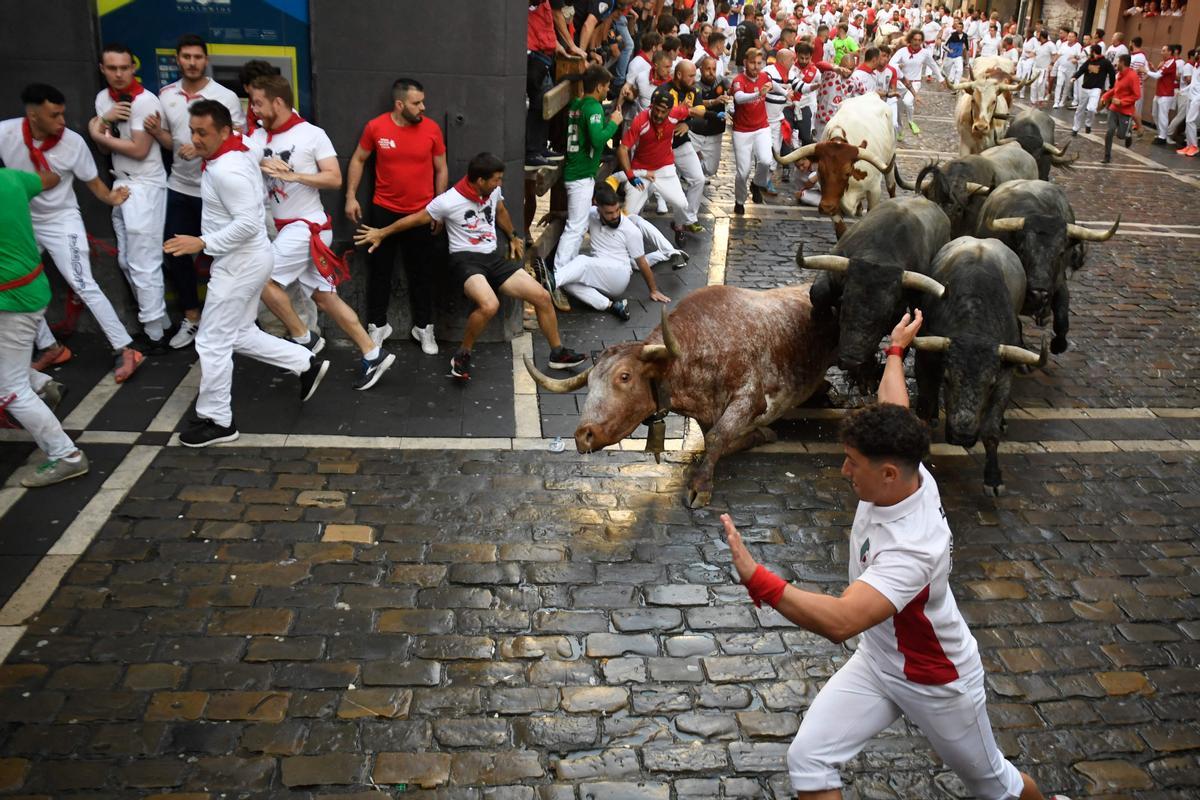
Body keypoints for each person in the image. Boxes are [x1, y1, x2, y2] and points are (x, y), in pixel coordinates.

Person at [721, 310, 1072, 800]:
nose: (845, 471)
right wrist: (894, 352)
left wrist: (758, 579)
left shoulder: (913, 548)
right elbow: (897, 408)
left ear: (888, 474)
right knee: (809, 760)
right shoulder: (909, 472)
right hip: (880, 662)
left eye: (853, 463)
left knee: (994, 785)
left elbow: (842, 620)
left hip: (937, 681)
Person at [163, 100, 330, 447]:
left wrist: (201, 242)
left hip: (239, 262)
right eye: (192, 131)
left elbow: (249, 225)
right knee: (236, 333)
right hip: (245, 259)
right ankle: (304, 360)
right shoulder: (239, 147)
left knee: (211, 341)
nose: (195, 139)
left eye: (203, 133)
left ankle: (218, 421)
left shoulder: (228, 170)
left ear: (224, 131)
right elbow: (251, 145)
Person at [354, 152, 586, 380]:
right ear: (480, 180)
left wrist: (514, 234)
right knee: (489, 304)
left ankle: (558, 353)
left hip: (493, 259)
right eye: (496, 179)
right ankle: (462, 355)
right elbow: (416, 218)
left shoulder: (492, 191)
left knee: (542, 296)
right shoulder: (449, 201)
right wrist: (381, 232)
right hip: (465, 261)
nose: (500, 183)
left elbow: (501, 211)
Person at [248, 75, 395, 391]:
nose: (253, 108)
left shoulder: (312, 135)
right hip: (291, 230)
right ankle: (373, 353)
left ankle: (304, 340)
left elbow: (334, 179)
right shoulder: (257, 137)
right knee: (324, 297)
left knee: (262, 279)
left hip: (307, 229)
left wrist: (293, 174)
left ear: (278, 102)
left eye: (258, 102)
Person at [0, 84, 142, 380]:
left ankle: (125, 348)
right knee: (9, 281)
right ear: (33, 115)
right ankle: (49, 347)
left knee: (82, 282)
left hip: (62, 219)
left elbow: (93, 182)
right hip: (25, 220)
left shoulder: (73, 143)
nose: (62, 121)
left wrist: (113, 198)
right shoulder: (7, 133)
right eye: (54, 115)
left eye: (63, 113)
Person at [149, 34, 245, 350]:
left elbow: (238, 140)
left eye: (197, 57)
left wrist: (203, 150)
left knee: (226, 254)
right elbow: (171, 141)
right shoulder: (165, 95)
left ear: (206, 59)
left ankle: (237, 324)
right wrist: (159, 134)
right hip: (179, 187)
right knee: (176, 253)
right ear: (177, 59)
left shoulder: (225, 96)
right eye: (186, 57)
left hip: (215, 191)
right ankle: (192, 317)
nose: (192, 62)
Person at [345, 77, 448, 355]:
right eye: (417, 103)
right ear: (400, 104)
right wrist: (350, 196)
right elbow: (358, 159)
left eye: (423, 101)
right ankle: (378, 326)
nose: (423, 107)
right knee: (379, 272)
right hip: (384, 212)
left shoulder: (432, 130)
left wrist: (438, 207)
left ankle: (424, 327)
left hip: (421, 214)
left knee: (422, 274)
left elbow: (441, 168)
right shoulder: (376, 127)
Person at [0, 166, 89, 486]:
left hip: (10, 304)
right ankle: (40, 385)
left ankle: (66, 455)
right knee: (8, 366)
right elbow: (50, 178)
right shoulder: (11, 178)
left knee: (8, 389)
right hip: (31, 291)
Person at [89, 42, 171, 356]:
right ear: (103, 69)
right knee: (127, 260)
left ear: (133, 67)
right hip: (121, 183)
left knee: (143, 262)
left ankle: (153, 333)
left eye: (125, 67)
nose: (119, 74)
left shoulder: (146, 101)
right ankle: (158, 322)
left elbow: (138, 149)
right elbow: (106, 149)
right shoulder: (103, 100)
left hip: (146, 186)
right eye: (113, 68)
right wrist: (105, 123)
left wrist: (98, 131)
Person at [552, 183, 672, 319]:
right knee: (568, 281)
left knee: (581, 261)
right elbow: (576, 217)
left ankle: (550, 282)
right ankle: (610, 305)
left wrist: (654, 290)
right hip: (599, 272)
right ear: (598, 209)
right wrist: (556, 215)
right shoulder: (592, 213)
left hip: (619, 275)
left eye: (617, 210)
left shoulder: (630, 230)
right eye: (609, 213)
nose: (615, 216)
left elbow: (642, 263)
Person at [559, 66, 624, 267]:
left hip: (575, 170)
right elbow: (597, 140)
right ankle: (559, 272)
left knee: (578, 224)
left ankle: (566, 267)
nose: (607, 91)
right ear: (598, 87)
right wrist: (613, 123)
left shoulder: (576, 104)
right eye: (606, 86)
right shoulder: (593, 108)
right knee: (576, 226)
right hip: (580, 174)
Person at [617, 92, 697, 235]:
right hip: (640, 171)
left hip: (664, 168)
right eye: (657, 110)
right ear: (652, 106)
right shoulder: (640, 120)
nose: (659, 115)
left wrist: (689, 123)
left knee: (682, 204)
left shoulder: (675, 113)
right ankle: (622, 248)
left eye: (663, 112)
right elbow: (623, 149)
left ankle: (678, 226)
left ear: (669, 110)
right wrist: (630, 176)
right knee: (628, 214)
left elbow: (692, 111)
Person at [653, 60, 712, 244]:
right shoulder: (662, 92)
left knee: (698, 179)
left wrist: (688, 123)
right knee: (649, 187)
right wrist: (680, 114)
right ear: (678, 75)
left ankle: (687, 220)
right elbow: (655, 117)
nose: (695, 80)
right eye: (691, 76)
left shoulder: (695, 91)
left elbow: (702, 115)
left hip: (681, 143)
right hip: (660, 147)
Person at [730, 48, 775, 214]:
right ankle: (739, 200)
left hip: (762, 127)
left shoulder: (764, 76)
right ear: (745, 63)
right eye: (752, 63)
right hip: (742, 131)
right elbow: (739, 98)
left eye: (759, 63)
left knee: (765, 160)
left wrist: (787, 93)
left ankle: (757, 184)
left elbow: (773, 85)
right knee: (743, 171)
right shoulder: (738, 80)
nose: (756, 67)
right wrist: (757, 94)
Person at [888, 31, 945, 135]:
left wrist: (940, 78)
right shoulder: (902, 51)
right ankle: (900, 130)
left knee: (908, 102)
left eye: (919, 40)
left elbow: (933, 65)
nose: (917, 42)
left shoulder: (925, 53)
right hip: (901, 83)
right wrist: (898, 68)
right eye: (915, 39)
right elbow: (891, 63)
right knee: (898, 110)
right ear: (910, 39)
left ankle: (911, 121)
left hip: (915, 83)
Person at [690, 55, 730, 176]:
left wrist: (731, 98)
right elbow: (696, 103)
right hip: (696, 132)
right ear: (701, 69)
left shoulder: (722, 81)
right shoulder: (695, 86)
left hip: (715, 131)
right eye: (708, 69)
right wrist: (714, 101)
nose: (711, 72)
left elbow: (734, 92)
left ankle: (698, 164)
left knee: (711, 170)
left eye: (714, 69)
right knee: (691, 170)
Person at [1100, 54, 1141, 163]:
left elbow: (1137, 95)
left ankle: (1128, 134)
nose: (1116, 64)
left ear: (1122, 62)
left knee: (1120, 135)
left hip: (1125, 111)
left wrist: (1122, 102)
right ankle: (1107, 156)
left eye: (1118, 62)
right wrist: (1105, 96)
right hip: (1114, 109)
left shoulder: (1133, 76)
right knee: (1110, 131)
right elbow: (1115, 89)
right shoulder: (1119, 75)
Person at [1071, 44, 1116, 135]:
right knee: (1080, 109)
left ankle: (1088, 124)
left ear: (1094, 52)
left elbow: (1112, 73)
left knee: (1091, 108)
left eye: (1090, 51)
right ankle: (1075, 128)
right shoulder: (1089, 61)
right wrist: (1074, 77)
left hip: (1096, 89)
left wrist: (1112, 85)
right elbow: (1081, 70)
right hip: (1085, 88)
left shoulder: (1105, 62)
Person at [1144, 44, 1181, 145]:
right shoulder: (1166, 62)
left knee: (1162, 115)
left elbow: (1158, 76)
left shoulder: (1171, 62)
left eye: (1164, 50)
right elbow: (1161, 75)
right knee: (1155, 114)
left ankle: (1162, 137)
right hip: (1160, 92)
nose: (1162, 52)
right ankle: (1161, 133)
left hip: (1166, 93)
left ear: (1170, 52)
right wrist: (1154, 69)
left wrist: (1146, 70)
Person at [1052, 30, 1082, 108]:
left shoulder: (1078, 46)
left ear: (1075, 38)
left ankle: (1062, 101)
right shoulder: (1064, 44)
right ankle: (1056, 102)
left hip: (1071, 69)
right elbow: (1058, 54)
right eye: (1069, 36)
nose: (1070, 38)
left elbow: (1079, 57)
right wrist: (1052, 63)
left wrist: (1074, 57)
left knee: (1067, 85)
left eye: (1072, 37)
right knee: (1059, 84)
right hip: (1061, 67)